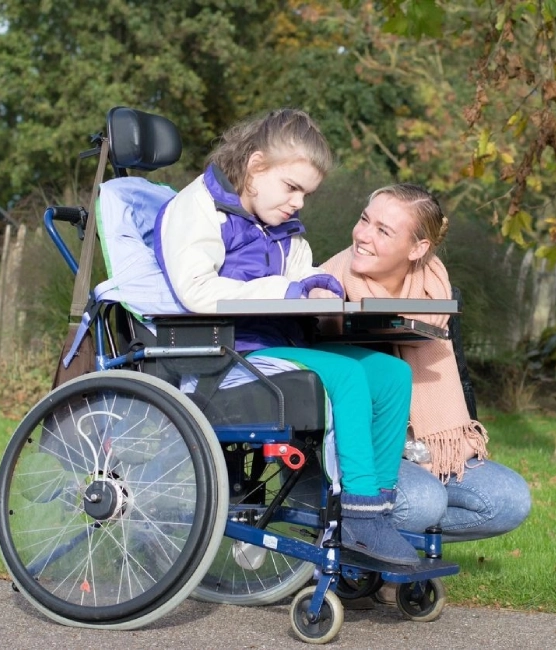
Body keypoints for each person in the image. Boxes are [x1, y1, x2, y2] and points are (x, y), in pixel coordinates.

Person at [153, 109, 419, 565]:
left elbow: (300, 275)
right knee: (349, 377)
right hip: (225, 358)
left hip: (280, 347)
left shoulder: (280, 224)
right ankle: (358, 517)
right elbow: (195, 291)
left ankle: (379, 505)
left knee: (392, 374)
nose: (298, 203)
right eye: (292, 187)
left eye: (306, 194)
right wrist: (288, 289)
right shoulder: (197, 208)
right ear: (256, 167)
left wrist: (319, 285)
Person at [323, 183, 531, 544]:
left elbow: (460, 378)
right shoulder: (326, 289)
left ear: (418, 248)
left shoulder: (437, 294)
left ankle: (383, 543)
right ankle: (362, 553)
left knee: (509, 500)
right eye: (364, 220)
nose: (363, 236)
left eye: (383, 231)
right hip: (355, 454)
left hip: (425, 446)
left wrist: (438, 449)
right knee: (423, 501)